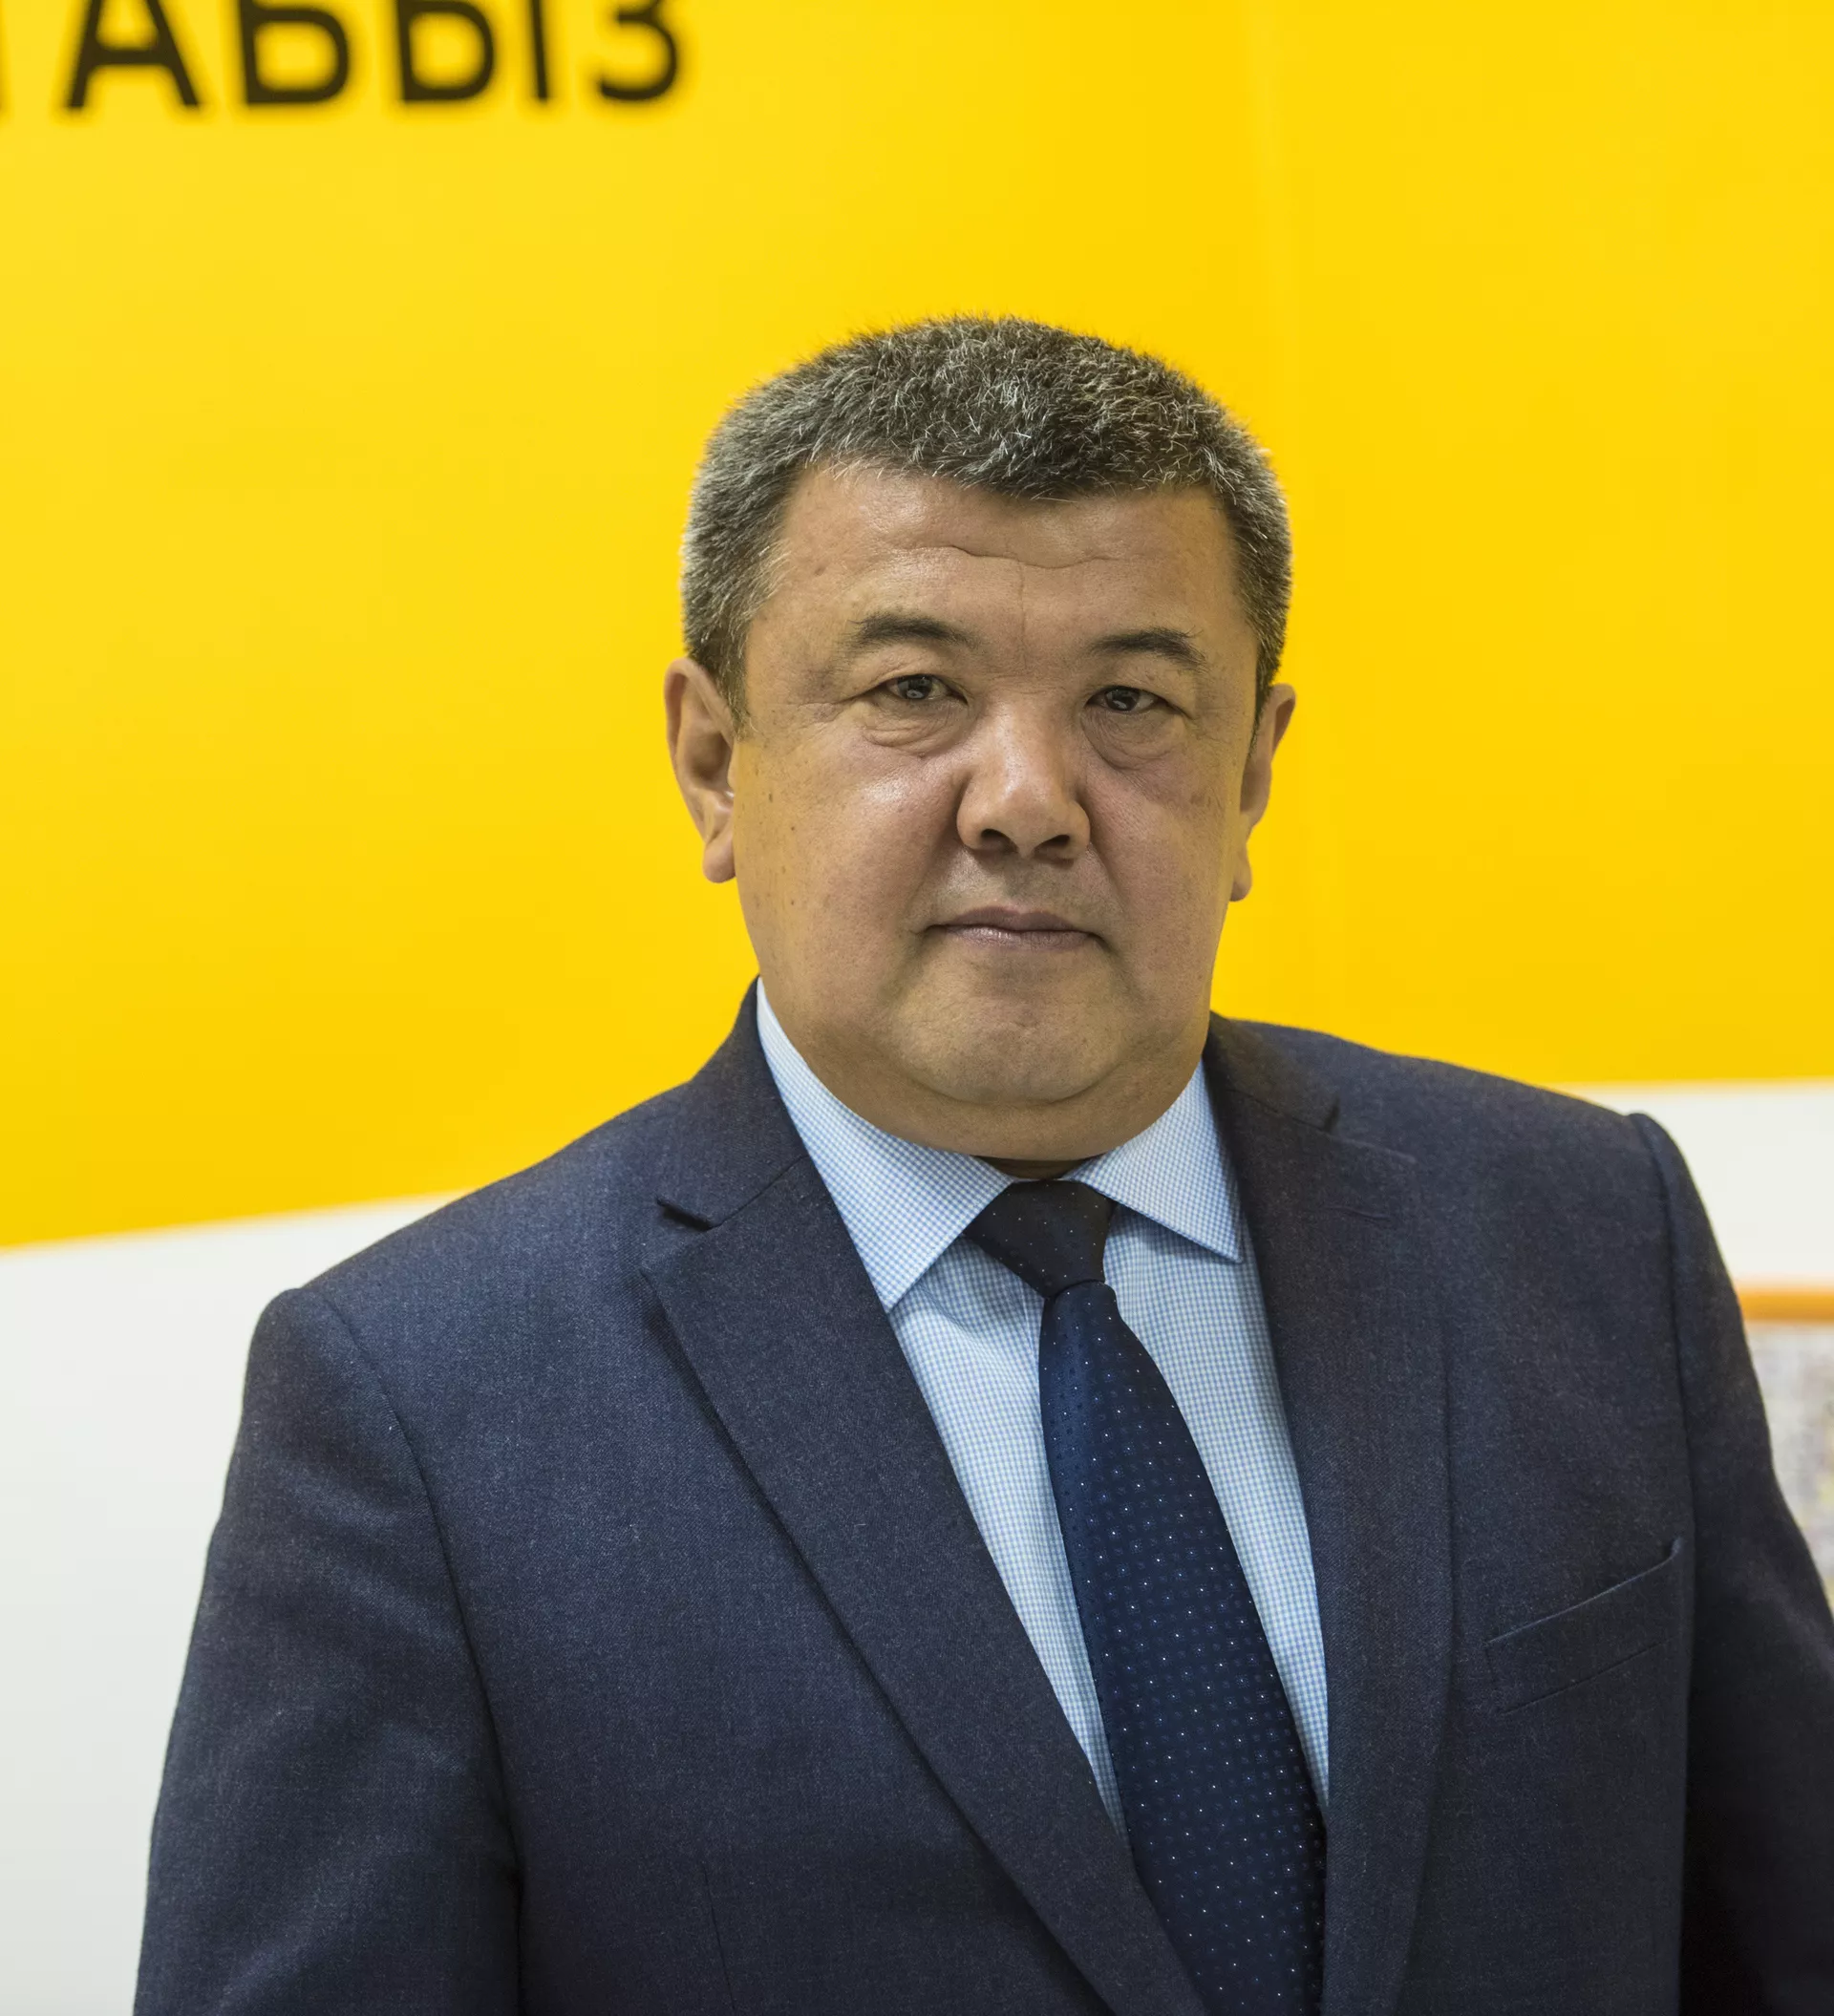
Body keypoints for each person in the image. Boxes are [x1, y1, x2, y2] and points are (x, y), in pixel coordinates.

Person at [137, 318, 1834, 2016]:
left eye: (1131, 702)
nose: (1028, 799)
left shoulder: (1580, 1234)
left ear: (1252, 771)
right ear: (714, 761)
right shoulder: (421, 1413)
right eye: (914, 691)